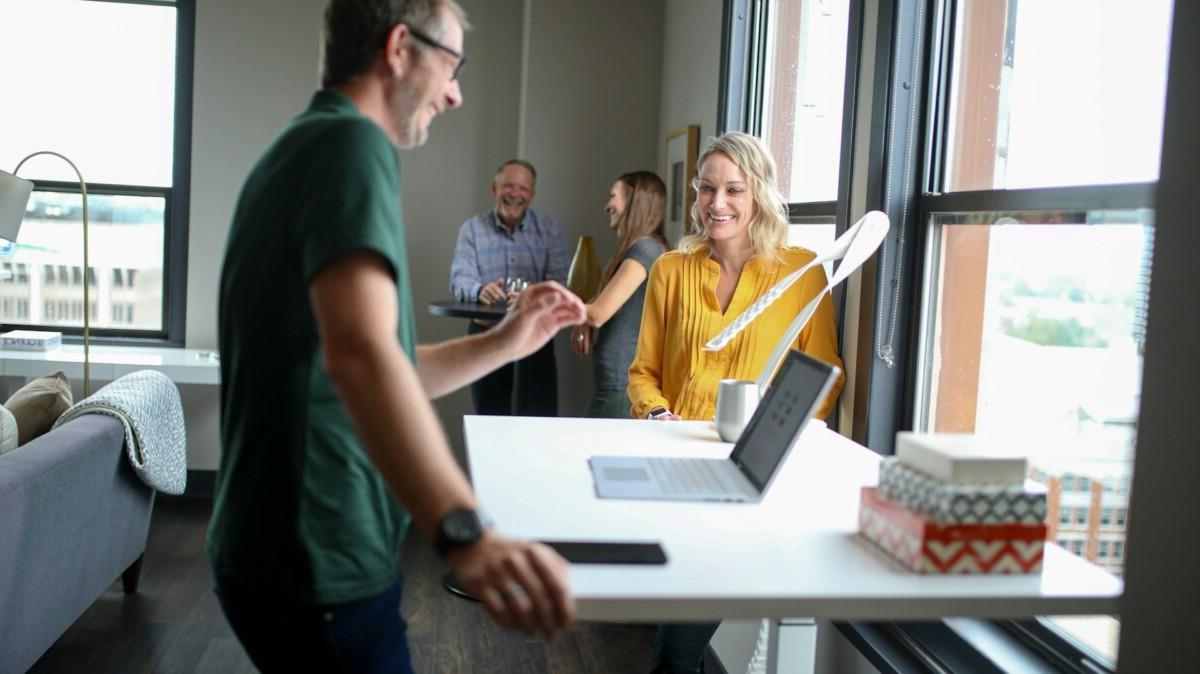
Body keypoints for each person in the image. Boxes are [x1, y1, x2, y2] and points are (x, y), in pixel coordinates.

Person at [208, 2, 583, 672]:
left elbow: (369, 361)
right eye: (453, 64)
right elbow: (362, 357)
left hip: (278, 552)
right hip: (317, 555)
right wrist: (465, 529)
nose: (456, 92)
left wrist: (506, 342)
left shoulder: (302, 146)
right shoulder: (350, 145)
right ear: (400, 47)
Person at [626, 132, 845, 673]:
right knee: (680, 637)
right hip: (675, 472)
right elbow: (643, 372)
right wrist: (656, 414)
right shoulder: (670, 270)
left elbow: (826, 378)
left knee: (676, 651)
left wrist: (769, 438)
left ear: (759, 195)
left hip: (749, 481)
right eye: (706, 189)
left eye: (733, 190)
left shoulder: (801, 271)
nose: (716, 203)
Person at [449, 159, 569, 417]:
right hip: (486, 335)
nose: (515, 194)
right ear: (494, 190)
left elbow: (559, 282)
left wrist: (533, 296)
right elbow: (460, 280)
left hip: (536, 337)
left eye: (523, 189)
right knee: (489, 419)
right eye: (508, 186)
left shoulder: (551, 230)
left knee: (540, 420)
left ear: (532, 196)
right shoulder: (471, 230)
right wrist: (479, 290)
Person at [570, 171, 668, 418]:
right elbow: (599, 305)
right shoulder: (643, 248)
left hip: (620, 390)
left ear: (635, 201)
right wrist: (584, 315)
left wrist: (539, 303)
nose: (606, 206)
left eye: (613, 196)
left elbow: (598, 314)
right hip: (614, 387)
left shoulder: (645, 249)